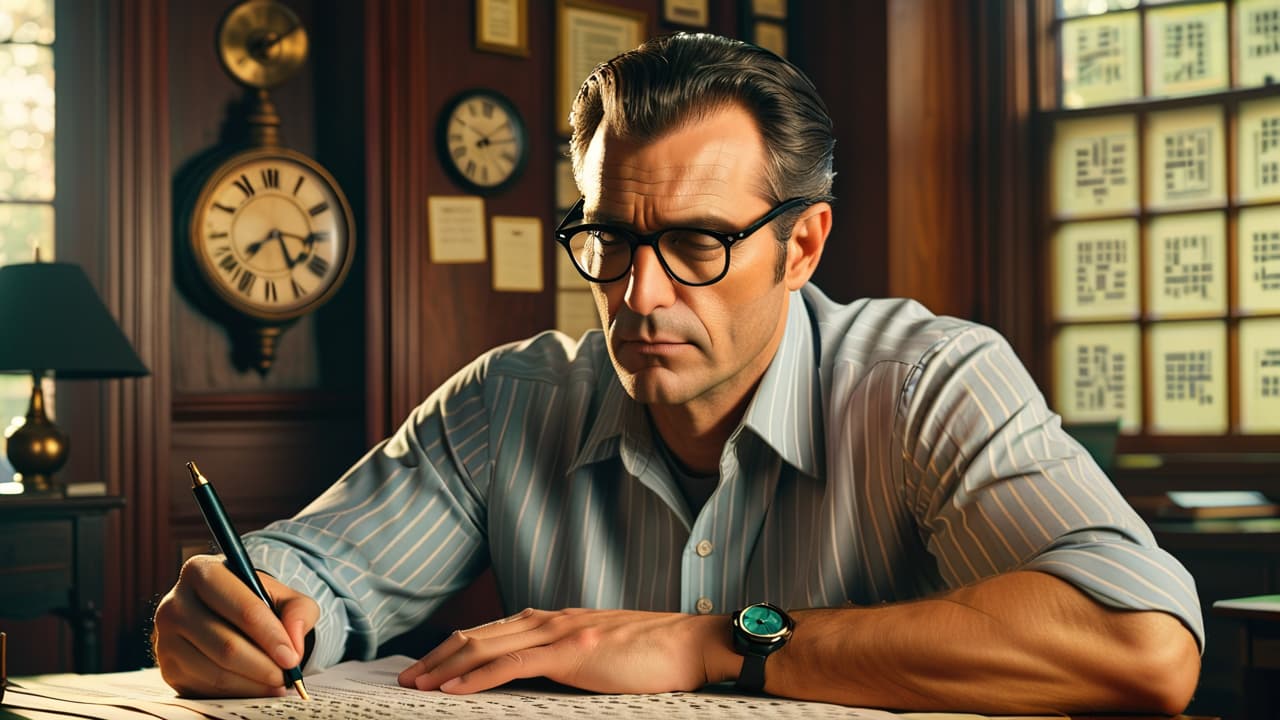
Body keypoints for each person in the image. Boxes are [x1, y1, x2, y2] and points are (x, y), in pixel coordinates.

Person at [152, 32, 1203, 714]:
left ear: (801, 248)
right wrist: (237, 613)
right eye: (608, 240)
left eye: (699, 243)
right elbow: (309, 579)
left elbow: (1140, 647)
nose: (639, 295)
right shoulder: (510, 400)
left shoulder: (928, 384)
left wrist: (716, 645)